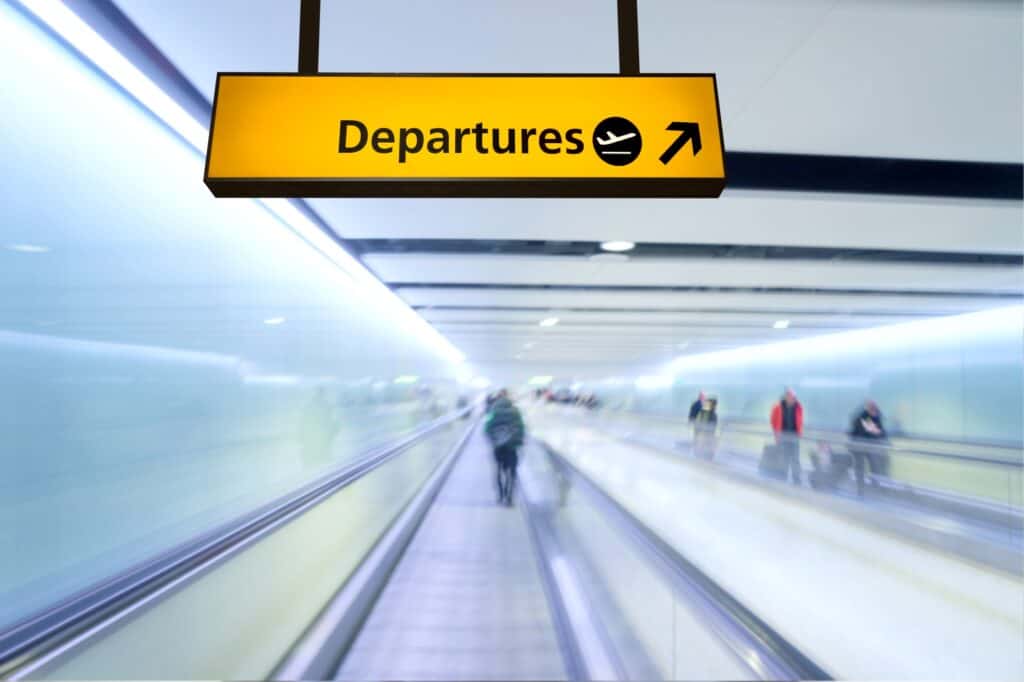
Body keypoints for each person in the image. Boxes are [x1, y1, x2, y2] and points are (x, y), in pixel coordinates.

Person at [484, 390, 526, 506]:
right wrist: (519, 441)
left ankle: (500, 495)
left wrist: (493, 440)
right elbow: (521, 428)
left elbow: (487, 428)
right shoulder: (516, 411)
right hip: (512, 447)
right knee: (512, 472)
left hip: (498, 447)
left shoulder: (494, 411)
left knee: (498, 470)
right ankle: (509, 497)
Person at [848, 399, 888, 496]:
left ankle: (875, 488)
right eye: (872, 410)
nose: (874, 412)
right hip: (858, 446)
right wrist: (878, 432)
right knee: (860, 468)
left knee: (874, 466)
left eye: (875, 410)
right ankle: (861, 489)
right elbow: (875, 432)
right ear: (868, 409)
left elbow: (880, 432)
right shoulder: (862, 417)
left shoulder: (876, 416)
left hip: (868, 446)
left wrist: (880, 433)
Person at [770, 388, 804, 484]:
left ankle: (796, 479)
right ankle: (782, 477)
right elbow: (773, 420)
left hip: (794, 436)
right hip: (782, 435)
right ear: (785, 397)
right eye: (789, 396)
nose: (791, 398)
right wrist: (776, 433)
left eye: (793, 397)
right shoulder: (777, 406)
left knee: (795, 458)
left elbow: (800, 420)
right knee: (784, 457)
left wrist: (799, 432)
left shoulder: (798, 406)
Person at [692, 396, 718, 460]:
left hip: (706, 436)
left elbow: (712, 426)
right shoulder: (705, 413)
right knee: (703, 450)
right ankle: (702, 456)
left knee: (706, 450)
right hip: (703, 436)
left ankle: (705, 456)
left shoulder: (712, 414)